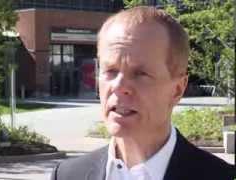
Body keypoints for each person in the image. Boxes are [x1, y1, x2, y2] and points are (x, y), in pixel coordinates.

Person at [51, 6, 234, 180]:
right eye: (111, 71)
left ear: (177, 89)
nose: (119, 86)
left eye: (140, 74)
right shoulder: (67, 175)